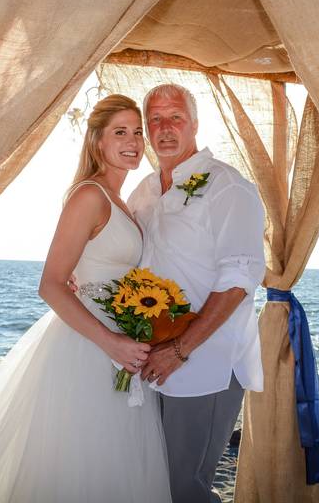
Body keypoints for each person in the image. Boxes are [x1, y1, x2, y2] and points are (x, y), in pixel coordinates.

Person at [0, 94, 172, 503]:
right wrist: (111, 342)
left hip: (121, 345)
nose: (133, 140)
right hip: (89, 348)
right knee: (78, 462)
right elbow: (51, 284)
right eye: (120, 132)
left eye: (138, 132)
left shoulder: (121, 202)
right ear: (97, 142)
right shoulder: (89, 196)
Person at [129, 83, 266, 503]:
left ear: (194, 125)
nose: (164, 128)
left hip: (204, 363)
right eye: (154, 119)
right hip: (152, 359)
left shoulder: (227, 186)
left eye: (175, 118)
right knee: (154, 480)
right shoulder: (145, 192)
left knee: (184, 488)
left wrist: (181, 349)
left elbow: (239, 280)